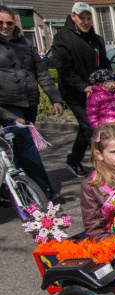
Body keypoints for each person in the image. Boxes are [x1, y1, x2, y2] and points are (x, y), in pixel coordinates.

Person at [0, 5, 64, 200]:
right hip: (6, 103)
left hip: (29, 102)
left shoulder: (25, 43)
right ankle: (44, 188)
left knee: (17, 147)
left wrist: (55, 98)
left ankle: (17, 188)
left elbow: (42, 72)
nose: (5, 26)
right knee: (25, 143)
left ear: (14, 23)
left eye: (9, 22)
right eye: (0, 22)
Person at [51, 2, 111, 177]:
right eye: (81, 18)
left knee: (87, 129)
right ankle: (102, 167)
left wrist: (109, 80)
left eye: (88, 18)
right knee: (91, 128)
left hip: (96, 93)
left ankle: (73, 160)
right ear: (73, 17)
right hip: (75, 93)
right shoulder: (63, 37)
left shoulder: (96, 39)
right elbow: (63, 68)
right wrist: (82, 86)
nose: (85, 22)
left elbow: (105, 64)